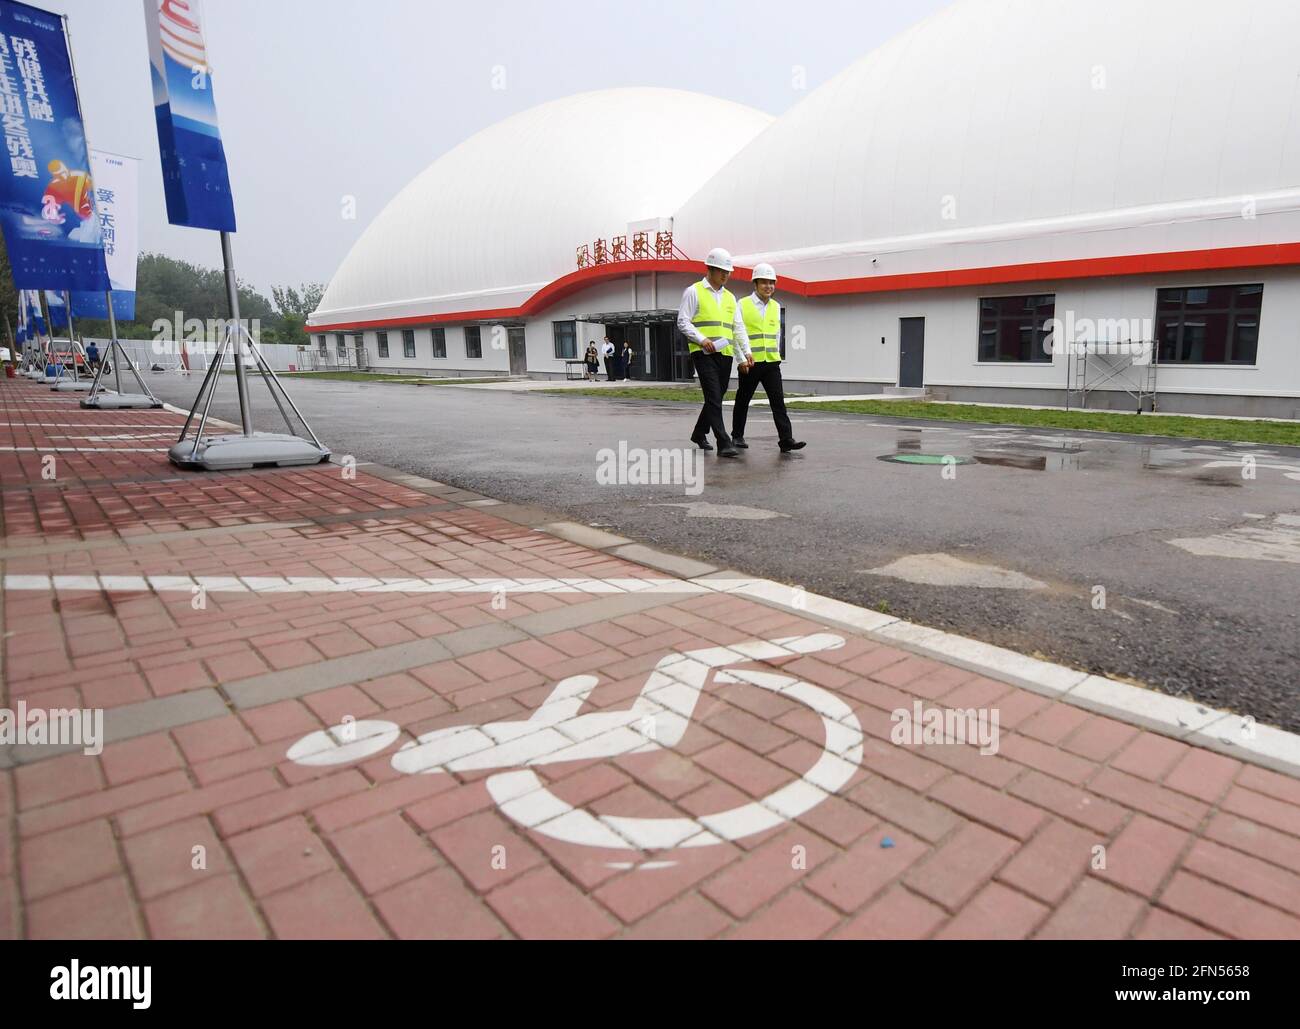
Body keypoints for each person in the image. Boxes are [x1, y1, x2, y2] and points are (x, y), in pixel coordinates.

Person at [677, 247, 752, 457]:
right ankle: (724, 442)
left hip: (725, 353)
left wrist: (746, 352)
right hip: (703, 353)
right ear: (709, 269)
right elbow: (682, 321)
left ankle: (699, 433)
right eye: (722, 270)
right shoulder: (694, 291)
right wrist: (702, 340)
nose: (726, 275)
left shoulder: (730, 297)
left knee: (716, 397)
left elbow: (738, 328)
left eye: (728, 271)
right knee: (712, 395)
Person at [732, 263, 805, 452]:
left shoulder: (775, 306)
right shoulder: (742, 304)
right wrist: (740, 359)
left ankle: (786, 439)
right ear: (755, 284)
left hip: (771, 362)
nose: (768, 286)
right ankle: (737, 436)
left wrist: (778, 355)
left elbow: (777, 334)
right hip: (751, 362)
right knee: (743, 399)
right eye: (764, 282)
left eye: (772, 283)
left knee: (778, 401)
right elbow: (736, 333)